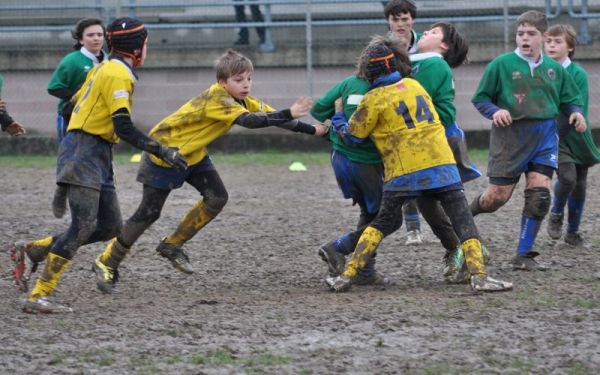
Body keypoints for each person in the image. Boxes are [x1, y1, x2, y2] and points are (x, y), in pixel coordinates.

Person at [90, 49, 327, 294]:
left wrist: (315, 131)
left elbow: (272, 117)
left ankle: (172, 245)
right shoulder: (218, 99)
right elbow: (251, 122)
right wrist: (288, 112)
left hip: (194, 154)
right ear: (222, 82)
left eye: (248, 79)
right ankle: (107, 261)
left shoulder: (242, 100)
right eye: (238, 80)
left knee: (217, 198)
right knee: (149, 213)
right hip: (166, 153)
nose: (245, 85)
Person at [9, 17, 187, 314]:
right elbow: (124, 125)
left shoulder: (102, 67)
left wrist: (79, 139)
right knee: (82, 225)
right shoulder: (118, 73)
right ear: (136, 47)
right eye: (145, 43)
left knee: (109, 226)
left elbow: (68, 108)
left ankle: (34, 249)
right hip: (87, 151)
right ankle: (39, 295)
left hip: (94, 151)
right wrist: (162, 151)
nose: (146, 48)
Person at [323, 42, 512, 293]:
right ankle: (479, 276)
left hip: (404, 171)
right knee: (463, 219)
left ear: (368, 73)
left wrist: (338, 117)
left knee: (381, 223)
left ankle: (346, 277)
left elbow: (354, 137)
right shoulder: (415, 85)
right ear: (394, 64)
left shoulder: (373, 98)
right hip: (442, 164)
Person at [470, 11, 586, 271]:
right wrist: (495, 111)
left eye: (531, 34)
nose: (525, 38)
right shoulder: (501, 64)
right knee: (497, 197)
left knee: (540, 195)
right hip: (510, 137)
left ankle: (524, 254)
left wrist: (576, 113)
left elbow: (570, 99)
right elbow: (480, 99)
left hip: (544, 136)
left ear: (543, 37)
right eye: (520, 33)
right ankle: (466, 216)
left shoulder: (555, 70)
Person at [312, 33, 412, 286]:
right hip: (365, 161)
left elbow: (318, 109)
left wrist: (335, 126)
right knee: (388, 217)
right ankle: (337, 247)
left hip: (340, 158)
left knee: (371, 212)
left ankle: (365, 270)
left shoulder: (348, 83)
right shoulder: (387, 89)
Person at [410, 22, 486, 283]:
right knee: (426, 200)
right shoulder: (420, 60)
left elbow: (420, 103)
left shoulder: (433, 64)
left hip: (441, 138)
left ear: (444, 46)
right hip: (431, 140)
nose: (424, 33)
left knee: (446, 198)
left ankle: (468, 252)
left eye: (432, 32)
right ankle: (462, 249)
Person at [544, 24, 600, 246]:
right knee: (567, 178)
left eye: (557, 42)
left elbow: (576, 109)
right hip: (554, 137)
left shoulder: (578, 74)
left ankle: (573, 232)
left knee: (580, 183)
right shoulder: (541, 71)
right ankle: (556, 212)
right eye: (548, 41)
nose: (551, 45)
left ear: (570, 48)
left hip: (575, 135)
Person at [48, 18, 108, 219]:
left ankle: (99, 201)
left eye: (99, 34)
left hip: (97, 121)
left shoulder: (107, 61)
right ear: (81, 39)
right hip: (70, 117)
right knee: (69, 157)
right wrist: (80, 96)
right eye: (91, 35)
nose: (96, 38)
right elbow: (54, 87)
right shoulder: (72, 61)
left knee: (96, 161)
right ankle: (61, 191)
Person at [384, 0, 422, 243]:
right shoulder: (383, 47)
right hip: (397, 117)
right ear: (388, 21)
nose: (400, 24)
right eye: (395, 19)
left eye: (404, 18)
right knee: (404, 170)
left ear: (412, 20)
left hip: (426, 116)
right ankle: (413, 227)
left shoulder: (426, 46)